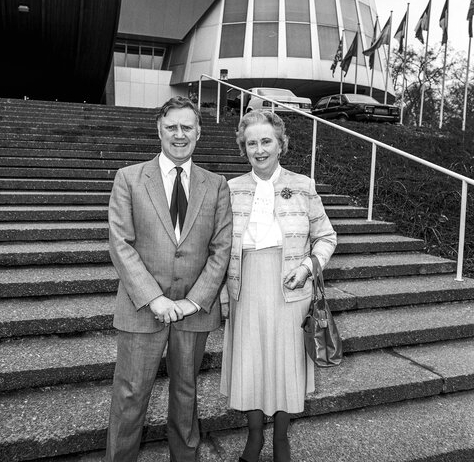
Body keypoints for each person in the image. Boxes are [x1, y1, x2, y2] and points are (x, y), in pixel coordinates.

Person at [106, 96, 233, 462]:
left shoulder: (216, 184)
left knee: (186, 393)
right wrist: (154, 298)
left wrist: (194, 300)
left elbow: (220, 248)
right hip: (141, 308)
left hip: (194, 311)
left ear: (199, 133)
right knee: (130, 395)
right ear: (159, 130)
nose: (180, 134)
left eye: (187, 127)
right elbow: (121, 243)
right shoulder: (129, 178)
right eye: (172, 127)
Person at [220, 110, 337, 462]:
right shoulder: (230, 188)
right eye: (251, 142)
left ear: (281, 144)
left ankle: (281, 440)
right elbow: (220, 246)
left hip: (290, 289)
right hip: (245, 288)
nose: (259, 149)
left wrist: (306, 267)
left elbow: (327, 237)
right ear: (244, 147)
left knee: (285, 364)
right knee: (252, 363)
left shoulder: (303, 185)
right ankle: (254, 438)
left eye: (266, 141)